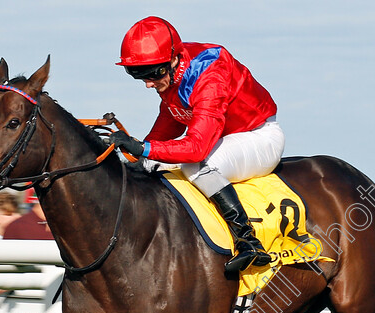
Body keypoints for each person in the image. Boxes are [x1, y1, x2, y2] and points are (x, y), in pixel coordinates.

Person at [111, 16, 284, 273]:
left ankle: (248, 241)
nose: (148, 83)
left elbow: (197, 149)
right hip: (223, 139)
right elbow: (169, 121)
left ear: (173, 58)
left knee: (195, 166)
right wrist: (137, 154)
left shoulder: (209, 78)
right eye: (137, 75)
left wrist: (144, 148)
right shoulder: (172, 72)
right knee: (148, 164)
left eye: (153, 74)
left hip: (259, 136)